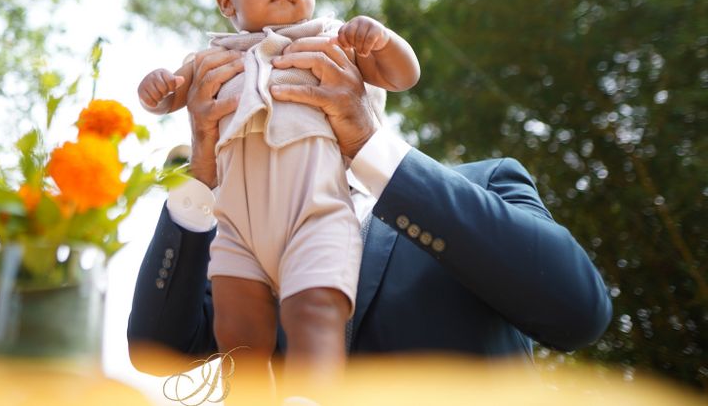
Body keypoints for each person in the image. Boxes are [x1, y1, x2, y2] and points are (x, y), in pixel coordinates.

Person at [128, 39, 613, 391]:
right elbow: (158, 349)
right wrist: (203, 175)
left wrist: (366, 146)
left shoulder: (485, 183)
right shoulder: (251, 231)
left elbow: (577, 311)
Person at [137, 0, 421, 389]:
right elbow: (168, 97)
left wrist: (382, 40)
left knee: (315, 310)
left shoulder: (330, 40)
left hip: (315, 210)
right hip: (237, 224)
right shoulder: (211, 58)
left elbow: (403, 76)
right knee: (237, 328)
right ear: (227, 3)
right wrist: (156, 88)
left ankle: (311, 396)